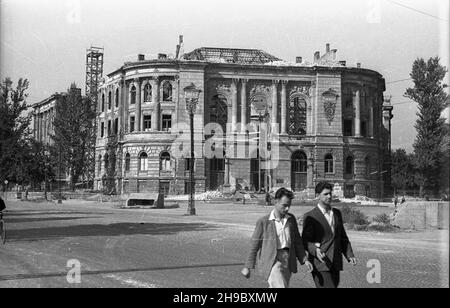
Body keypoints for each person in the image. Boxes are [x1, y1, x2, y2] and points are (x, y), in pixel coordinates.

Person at [241, 187, 313, 288]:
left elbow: (297, 241)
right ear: (276, 201)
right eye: (284, 205)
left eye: (289, 206)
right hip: (272, 260)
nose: (287, 208)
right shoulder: (264, 222)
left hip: (288, 259)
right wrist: (247, 266)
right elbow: (254, 245)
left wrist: (305, 259)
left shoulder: (291, 219)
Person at [302, 181, 357, 288]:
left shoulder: (337, 214)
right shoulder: (310, 216)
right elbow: (305, 241)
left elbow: (342, 237)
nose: (329, 196)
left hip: (335, 263)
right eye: (325, 194)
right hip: (320, 264)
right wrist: (314, 250)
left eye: (330, 193)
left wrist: (349, 255)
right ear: (318, 196)